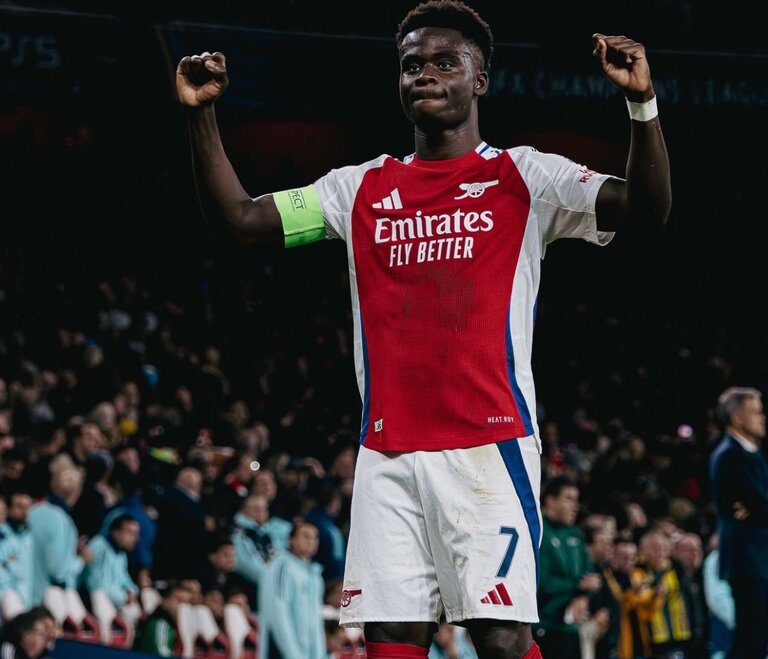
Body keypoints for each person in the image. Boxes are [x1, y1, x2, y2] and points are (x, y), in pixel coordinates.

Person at [176, 0, 671, 654]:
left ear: (480, 79)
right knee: (391, 637)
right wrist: (201, 113)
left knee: (501, 638)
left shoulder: (525, 176)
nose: (426, 74)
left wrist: (641, 105)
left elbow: (644, 208)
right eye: (412, 65)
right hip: (387, 451)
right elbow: (240, 220)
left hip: (488, 445)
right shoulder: (358, 188)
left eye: (445, 62)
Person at [709, 386, 768, 659]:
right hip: (747, 562)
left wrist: (757, 507)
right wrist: (758, 507)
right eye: (756, 412)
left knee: (757, 641)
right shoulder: (729, 456)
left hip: (759, 561)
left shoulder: (752, 454)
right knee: (750, 642)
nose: (763, 418)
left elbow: (758, 506)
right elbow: (760, 505)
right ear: (737, 417)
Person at [534, 477, 605, 658]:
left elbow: (591, 576)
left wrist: (583, 596)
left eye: (576, 500)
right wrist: (577, 587)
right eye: (568, 499)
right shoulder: (538, 531)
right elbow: (540, 581)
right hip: (543, 626)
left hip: (571, 628)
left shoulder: (575, 534)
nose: (575, 506)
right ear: (550, 500)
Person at [258, 520, 325, 659]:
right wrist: (293, 655)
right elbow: (278, 614)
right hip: (284, 653)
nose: (311, 541)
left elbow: (316, 622)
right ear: (291, 540)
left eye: (314, 537)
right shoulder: (282, 567)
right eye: (305, 536)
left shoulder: (314, 573)